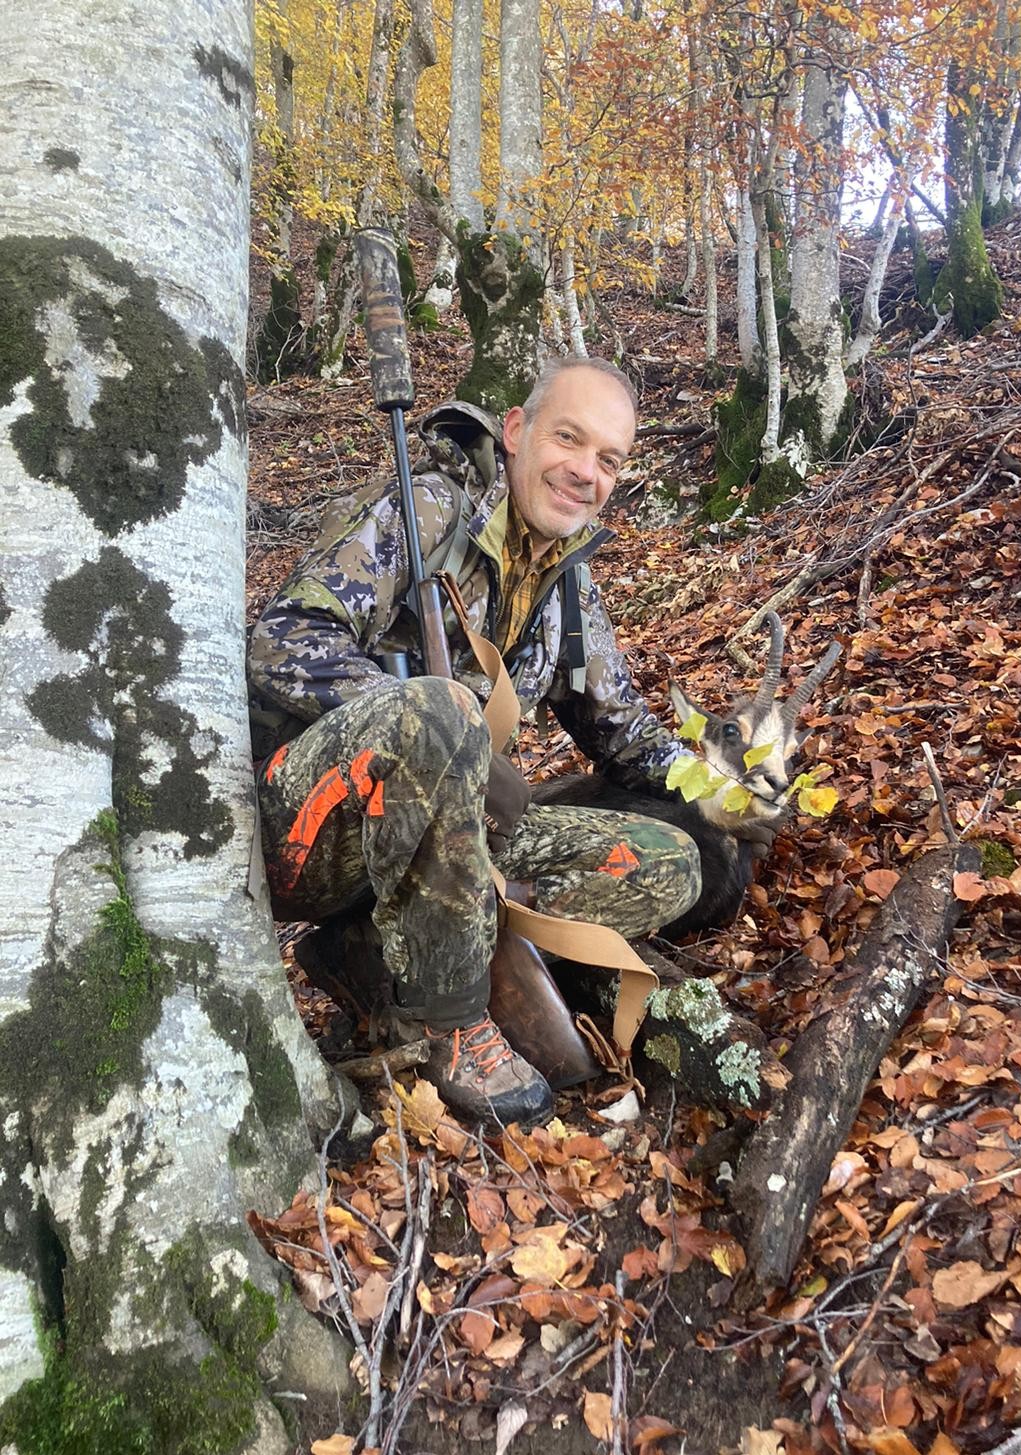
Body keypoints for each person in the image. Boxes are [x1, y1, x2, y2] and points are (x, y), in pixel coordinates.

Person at [247, 357, 765, 1125]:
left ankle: (375, 949)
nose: (585, 472)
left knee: (673, 864)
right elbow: (284, 638)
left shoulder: (568, 583)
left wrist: (718, 792)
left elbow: (622, 731)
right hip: (312, 828)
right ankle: (447, 1021)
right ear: (518, 432)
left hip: (444, 849)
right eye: (569, 439)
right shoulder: (426, 514)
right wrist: (452, 737)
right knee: (442, 712)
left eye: (609, 460)